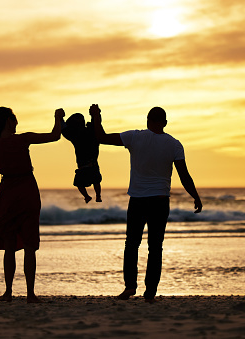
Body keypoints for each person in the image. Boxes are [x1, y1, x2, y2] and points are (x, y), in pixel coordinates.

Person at [89, 104, 202, 303]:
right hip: (160, 201)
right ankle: (150, 294)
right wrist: (195, 196)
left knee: (131, 244)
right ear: (165, 123)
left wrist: (96, 115)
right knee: (155, 247)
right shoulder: (174, 144)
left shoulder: (135, 137)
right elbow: (184, 176)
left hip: (138, 200)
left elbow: (101, 137)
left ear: (148, 121)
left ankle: (129, 287)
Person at [0, 106, 65, 303]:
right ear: (8, 121)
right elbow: (55, 136)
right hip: (28, 192)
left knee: (9, 247)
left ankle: (8, 293)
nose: (17, 123)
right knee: (30, 245)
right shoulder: (23, 139)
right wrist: (58, 118)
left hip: (8, 195)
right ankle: (30, 294)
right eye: (14, 119)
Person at [61, 112, 102, 203]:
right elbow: (97, 123)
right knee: (95, 181)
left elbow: (64, 130)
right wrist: (95, 114)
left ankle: (89, 196)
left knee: (81, 183)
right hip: (91, 164)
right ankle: (96, 196)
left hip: (85, 165)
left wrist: (60, 118)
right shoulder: (91, 131)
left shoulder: (76, 135)